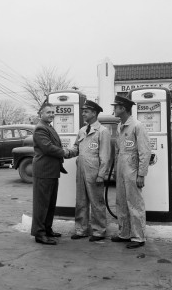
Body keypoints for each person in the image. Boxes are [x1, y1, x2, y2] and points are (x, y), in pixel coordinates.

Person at [66, 100, 111, 242]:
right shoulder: (82, 130)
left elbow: (105, 156)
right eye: (83, 111)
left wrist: (101, 174)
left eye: (86, 111)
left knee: (97, 202)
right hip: (81, 170)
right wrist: (63, 152)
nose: (83, 113)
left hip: (94, 171)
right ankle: (81, 229)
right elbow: (75, 149)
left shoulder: (102, 132)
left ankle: (99, 231)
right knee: (81, 201)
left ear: (94, 113)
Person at [111, 95, 151, 249]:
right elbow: (119, 151)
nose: (114, 109)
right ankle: (124, 233)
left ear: (123, 108)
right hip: (122, 170)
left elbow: (145, 152)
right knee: (121, 202)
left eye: (116, 107)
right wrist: (116, 170)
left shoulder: (137, 126)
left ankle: (138, 237)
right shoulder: (121, 126)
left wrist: (141, 174)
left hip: (133, 170)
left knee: (134, 204)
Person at [31, 103, 68, 245]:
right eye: (48, 112)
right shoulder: (41, 128)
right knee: (42, 204)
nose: (51, 114)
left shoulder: (49, 127)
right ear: (40, 114)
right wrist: (65, 152)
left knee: (50, 203)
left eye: (53, 112)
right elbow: (48, 148)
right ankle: (39, 234)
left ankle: (47, 228)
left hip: (52, 171)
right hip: (44, 171)